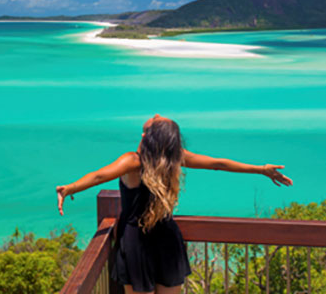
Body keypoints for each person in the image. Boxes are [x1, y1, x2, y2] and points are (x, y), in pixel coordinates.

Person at [56, 114, 293, 294]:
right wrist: (261, 170)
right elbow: (217, 163)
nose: (141, 135)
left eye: (145, 131)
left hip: (136, 241)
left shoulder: (133, 161)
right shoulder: (175, 158)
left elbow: (99, 176)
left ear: (148, 139)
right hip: (166, 238)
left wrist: (70, 188)